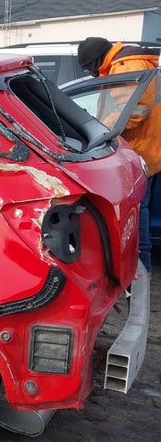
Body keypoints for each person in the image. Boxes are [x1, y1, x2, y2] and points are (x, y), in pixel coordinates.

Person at [77, 37, 161, 274]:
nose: (92, 75)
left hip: (140, 150)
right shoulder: (126, 64)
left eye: (88, 69)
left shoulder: (127, 67)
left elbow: (133, 113)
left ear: (96, 61)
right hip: (147, 148)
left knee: (136, 211)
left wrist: (101, 130)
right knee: (139, 208)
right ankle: (139, 264)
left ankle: (139, 268)